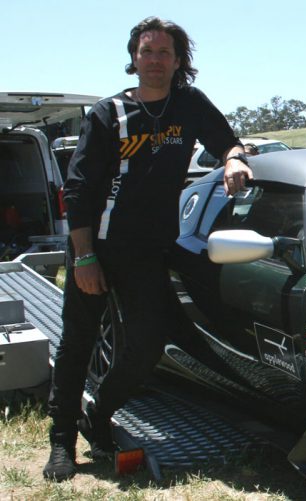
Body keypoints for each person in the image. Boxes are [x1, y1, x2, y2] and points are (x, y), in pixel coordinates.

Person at [42, 16, 252, 481]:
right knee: (78, 343)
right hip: (95, 247)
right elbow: (76, 191)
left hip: (146, 253)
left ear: (179, 62)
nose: (154, 60)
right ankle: (62, 444)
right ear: (133, 58)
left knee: (145, 349)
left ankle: (97, 417)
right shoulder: (107, 114)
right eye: (146, 51)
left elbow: (226, 140)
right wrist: (84, 258)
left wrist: (235, 158)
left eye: (164, 53)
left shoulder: (189, 104)